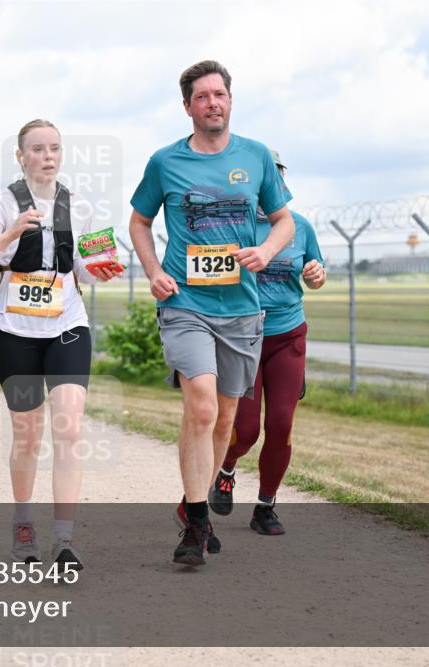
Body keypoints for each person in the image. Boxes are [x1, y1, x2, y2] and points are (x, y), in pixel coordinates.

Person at [128, 60, 295, 567]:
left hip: (242, 308)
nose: (212, 103)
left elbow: (283, 220)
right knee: (200, 406)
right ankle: (197, 525)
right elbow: (138, 221)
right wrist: (153, 270)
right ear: (188, 107)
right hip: (185, 303)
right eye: (202, 97)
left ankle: (190, 499)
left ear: (229, 100)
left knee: (224, 418)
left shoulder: (257, 157)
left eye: (219, 94)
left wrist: (265, 252)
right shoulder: (165, 162)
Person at [0, 119, 119, 570]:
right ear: (21, 156)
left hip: (67, 326)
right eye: (38, 149)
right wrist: (7, 237)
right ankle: (23, 521)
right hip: (13, 333)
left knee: (68, 427)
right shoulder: (1, 203)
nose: (47, 156)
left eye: (54, 148)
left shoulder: (80, 206)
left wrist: (101, 269)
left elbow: (85, 270)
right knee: (28, 435)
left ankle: (64, 540)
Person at [208, 151, 326, 535]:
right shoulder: (231, 226)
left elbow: (315, 276)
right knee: (245, 428)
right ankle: (225, 471)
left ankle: (265, 506)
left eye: (273, 179)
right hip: (242, 337)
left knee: (280, 424)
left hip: (288, 335)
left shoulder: (299, 226)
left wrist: (315, 274)